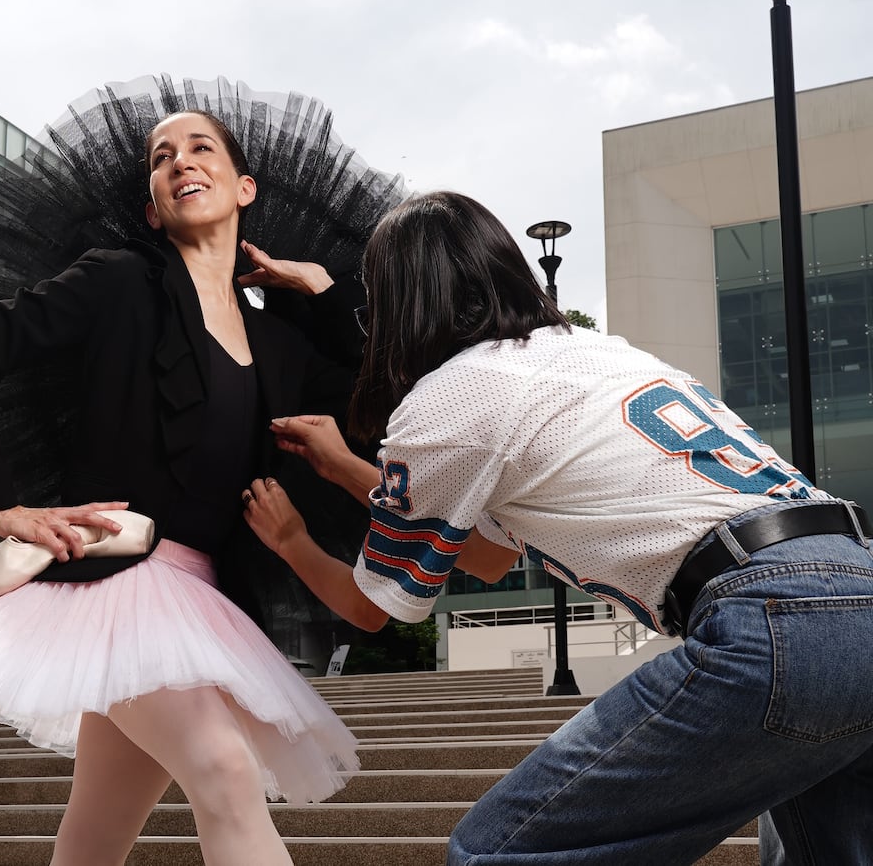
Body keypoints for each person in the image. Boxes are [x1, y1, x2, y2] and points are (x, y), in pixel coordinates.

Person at [243, 190, 873, 866]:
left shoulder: (448, 398)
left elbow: (373, 607)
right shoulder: (594, 351)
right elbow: (484, 557)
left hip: (774, 621)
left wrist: (291, 541)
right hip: (853, 579)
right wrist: (345, 468)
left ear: (398, 304)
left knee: (496, 854)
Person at [0, 95, 398, 866]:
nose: (181, 160)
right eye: (162, 156)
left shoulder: (278, 345)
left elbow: (377, 401)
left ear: (244, 188)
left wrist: (317, 285)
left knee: (96, 829)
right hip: (114, 579)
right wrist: (3, 503)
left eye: (202, 147)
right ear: (152, 209)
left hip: (199, 598)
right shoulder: (119, 284)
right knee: (223, 770)